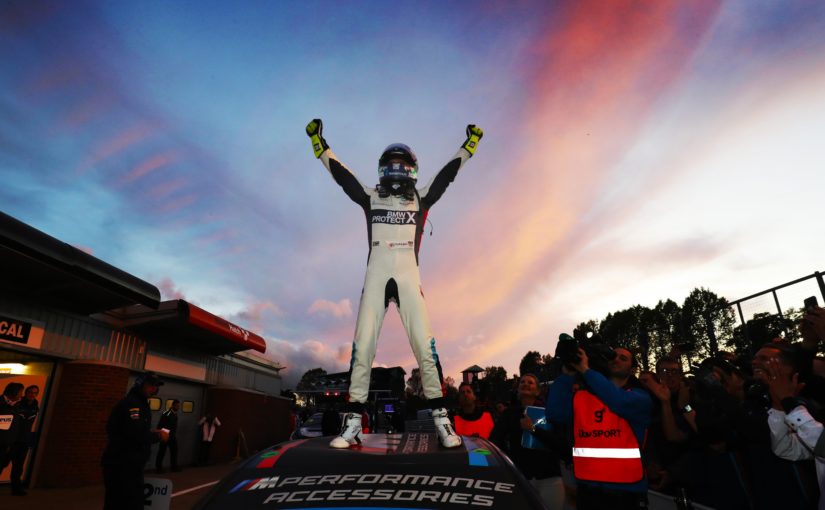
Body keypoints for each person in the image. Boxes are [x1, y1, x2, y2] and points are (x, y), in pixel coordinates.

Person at [305, 118, 484, 449]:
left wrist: (469, 145)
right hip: (376, 276)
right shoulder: (371, 197)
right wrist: (319, 143)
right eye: (391, 166)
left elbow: (448, 174)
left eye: (402, 166)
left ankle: (443, 422)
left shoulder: (422, 197)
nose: (397, 171)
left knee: (425, 347)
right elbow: (343, 178)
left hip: (407, 277)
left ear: (412, 170)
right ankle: (354, 422)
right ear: (382, 170)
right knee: (362, 347)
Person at [547, 339, 652, 510]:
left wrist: (586, 371)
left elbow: (617, 401)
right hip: (588, 492)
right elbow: (555, 414)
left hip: (626, 494)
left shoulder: (640, 397)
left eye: (623, 358)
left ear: (633, 370)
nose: (616, 359)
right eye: (612, 356)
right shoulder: (584, 396)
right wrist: (567, 374)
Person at [491, 374, 565, 510]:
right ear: (518, 390)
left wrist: (533, 429)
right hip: (521, 479)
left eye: (530, 382)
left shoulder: (550, 413)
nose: (525, 384)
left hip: (550, 479)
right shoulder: (509, 414)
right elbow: (495, 439)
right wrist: (510, 460)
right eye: (522, 382)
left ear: (537, 391)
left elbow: (560, 445)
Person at [101, 372, 169, 510]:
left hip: (127, 464)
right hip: (123, 465)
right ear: (140, 384)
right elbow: (135, 434)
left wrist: (150, 433)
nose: (154, 389)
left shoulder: (139, 403)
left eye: (155, 386)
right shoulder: (133, 405)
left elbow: (132, 430)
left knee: (118, 503)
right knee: (128, 504)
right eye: (150, 385)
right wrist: (158, 436)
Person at [5, 385, 39, 496]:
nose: (32, 395)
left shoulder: (35, 406)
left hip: (24, 440)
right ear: (26, 393)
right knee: (3, 462)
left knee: (18, 466)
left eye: (35, 393)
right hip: (13, 439)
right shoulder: (18, 404)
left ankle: (16, 488)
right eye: (30, 392)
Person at [0, 382, 24, 495]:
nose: (22, 395)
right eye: (20, 392)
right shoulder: (1, 404)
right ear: (13, 392)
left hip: (8, 444)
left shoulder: (16, 405)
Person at [155, 399, 180, 473]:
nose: (178, 407)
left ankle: (174, 467)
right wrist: (161, 434)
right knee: (162, 452)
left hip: (172, 436)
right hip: (165, 435)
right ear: (172, 405)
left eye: (178, 405)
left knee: (174, 451)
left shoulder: (175, 414)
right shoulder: (167, 413)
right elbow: (160, 424)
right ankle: (159, 469)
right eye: (176, 405)